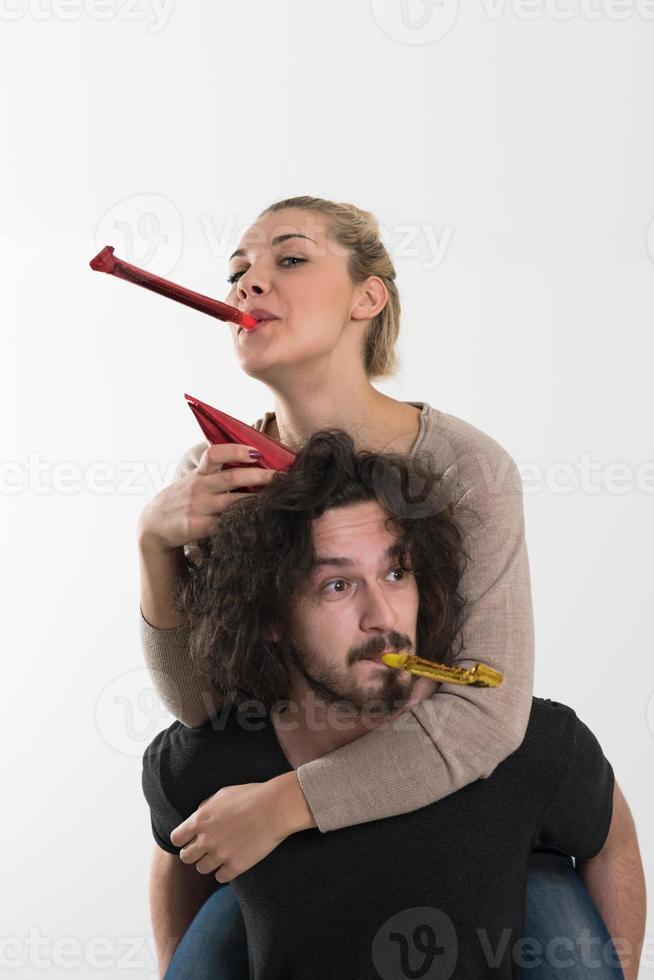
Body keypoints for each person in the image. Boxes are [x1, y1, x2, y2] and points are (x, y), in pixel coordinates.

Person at [136, 196, 620, 976]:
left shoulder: (467, 468)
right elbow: (210, 712)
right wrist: (156, 546)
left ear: (368, 298)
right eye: (237, 272)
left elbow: (484, 718)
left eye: (288, 260)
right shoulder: (215, 474)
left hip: (457, 810)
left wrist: (282, 805)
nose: (247, 286)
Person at [142, 430, 646, 979]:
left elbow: (611, 840)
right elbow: (180, 852)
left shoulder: (525, 745)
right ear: (270, 623)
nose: (382, 615)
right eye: (337, 585)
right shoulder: (206, 759)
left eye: (395, 572)